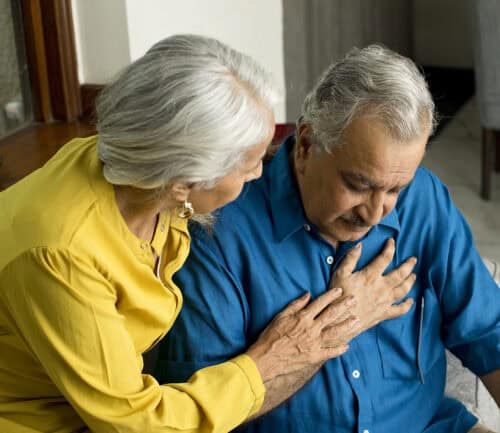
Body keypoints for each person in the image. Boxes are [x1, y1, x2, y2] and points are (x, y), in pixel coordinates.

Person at [0, 35, 416, 433]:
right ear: (183, 183)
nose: (264, 171)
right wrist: (272, 361)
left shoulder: (141, 163)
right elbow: (139, 424)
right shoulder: (62, 254)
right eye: (249, 165)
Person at [156, 45, 500, 433]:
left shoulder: (424, 199)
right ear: (305, 145)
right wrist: (338, 324)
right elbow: (203, 415)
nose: (375, 213)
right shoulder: (220, 234)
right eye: (358, 185)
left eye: (394, 190)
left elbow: (489, 331)